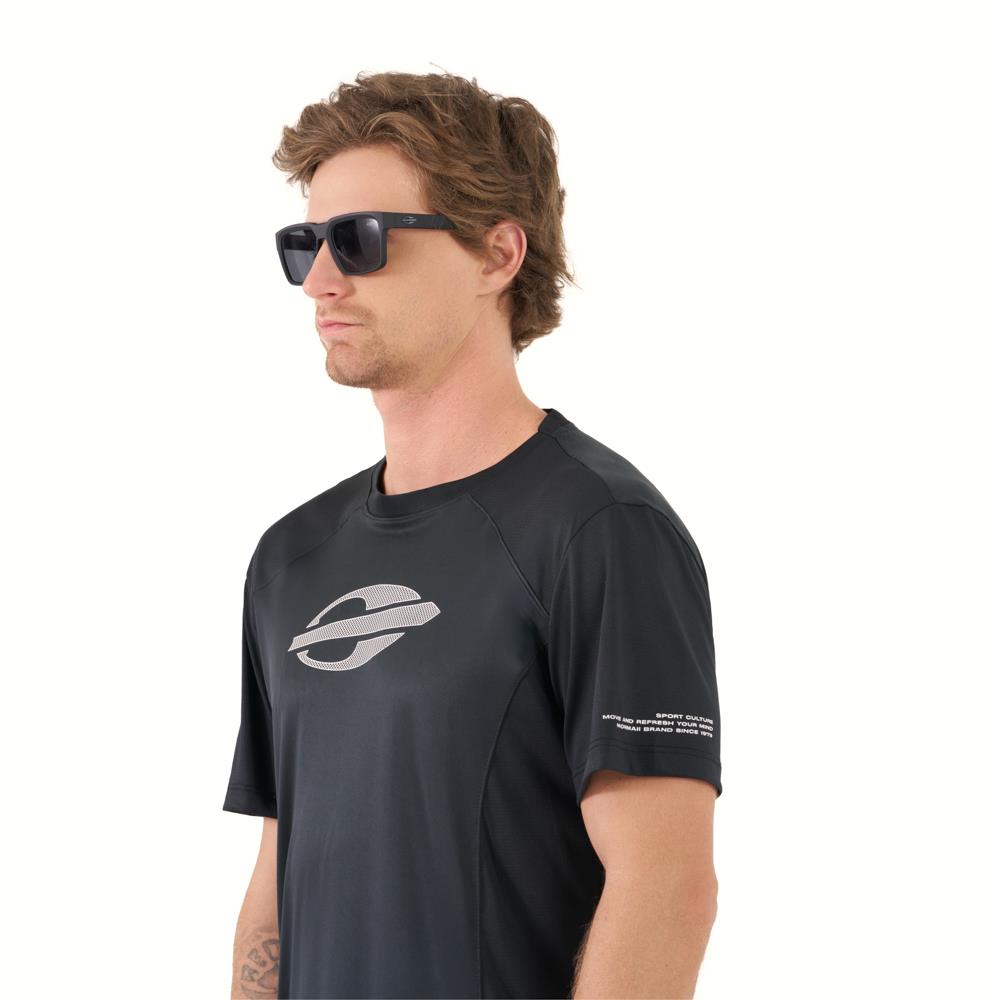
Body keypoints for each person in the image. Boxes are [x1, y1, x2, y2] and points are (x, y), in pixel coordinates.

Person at [223, 69, 722, 1000]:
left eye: (361, 239)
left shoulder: (602, 532)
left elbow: (665, 889)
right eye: (305, 244)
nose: (321, 279)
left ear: (497, 255)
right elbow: (277, 880)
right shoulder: (290, 557)